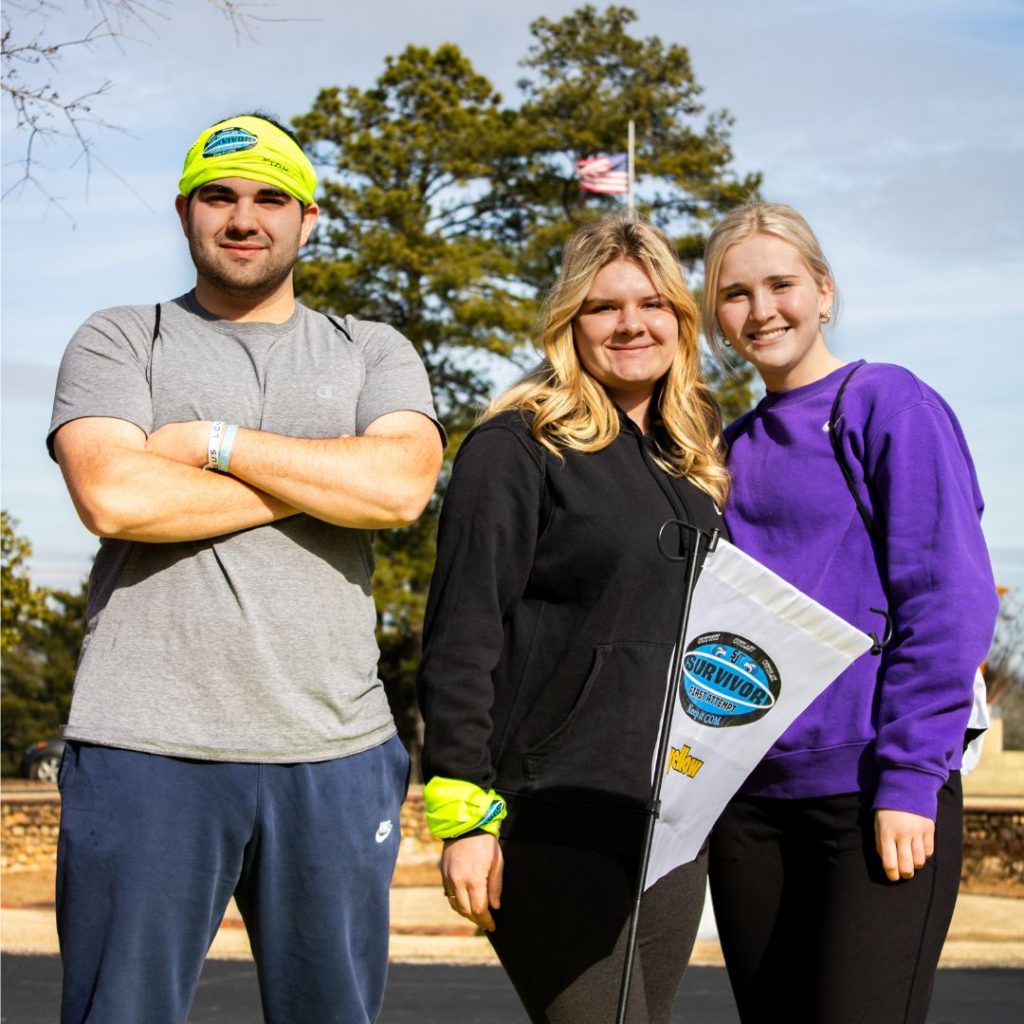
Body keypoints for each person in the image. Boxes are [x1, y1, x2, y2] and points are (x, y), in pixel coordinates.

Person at [47, 113, 444, 1024]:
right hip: (144, 746)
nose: (243, 217)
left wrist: (212, 446)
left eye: (270, 198)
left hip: (335, 751)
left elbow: (400, 491)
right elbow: (116, 500)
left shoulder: (371, 349)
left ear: (308, 219)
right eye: (219, 196)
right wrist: (323, 472)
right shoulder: (121, 339)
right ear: (186, 211)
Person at [416, 216, 729, 1024]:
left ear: (680, 320)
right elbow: (461, 635)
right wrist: (463, 817)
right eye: (604, 307)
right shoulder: (517, 446)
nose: (632, 324)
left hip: (669, 818)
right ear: (569, 323)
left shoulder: (690, 459)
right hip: (552, 812)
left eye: (655, 302)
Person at [700, 201, 998, 1024]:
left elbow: (948, 599)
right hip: (749, 806)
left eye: (782, 284)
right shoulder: (729, 448)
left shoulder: (888, 403)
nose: (762, 310)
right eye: (735, 294)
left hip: (870, 792)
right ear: (717, 318)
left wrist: (909, 776)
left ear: (824, 293)